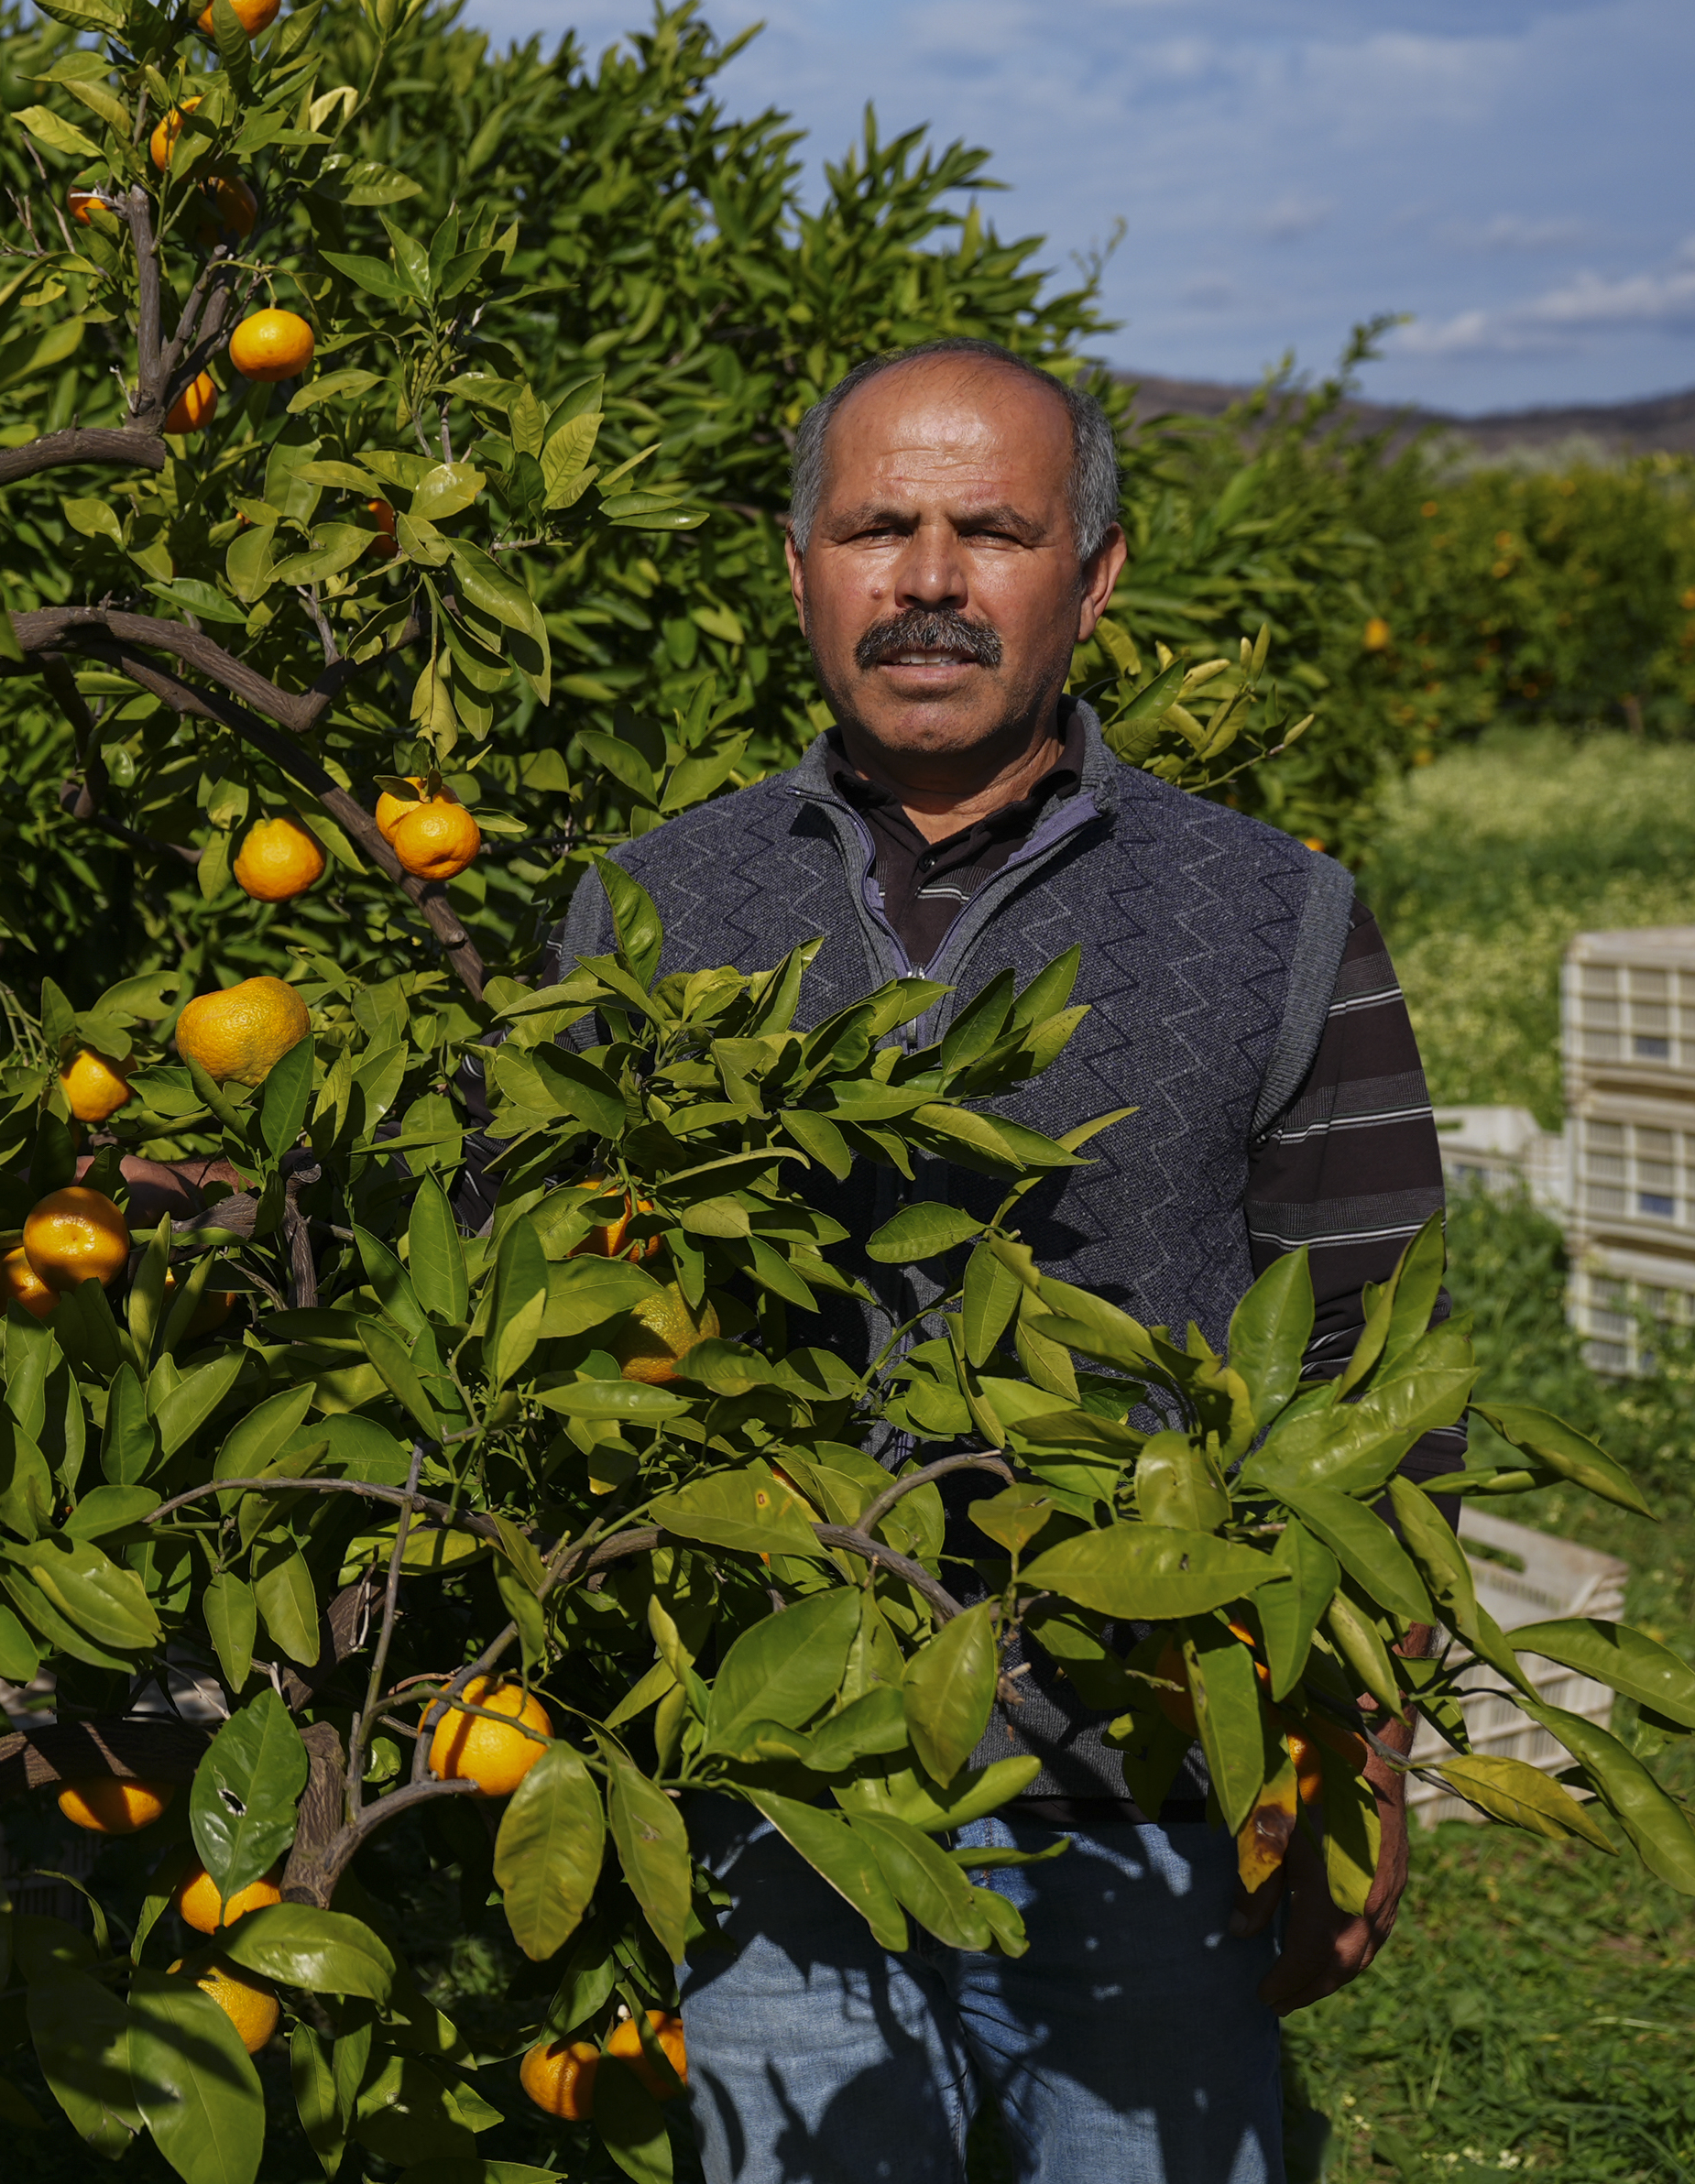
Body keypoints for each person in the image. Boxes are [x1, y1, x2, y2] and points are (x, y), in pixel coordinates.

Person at [554, 339, 1448, 2183]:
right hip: (764, 1779)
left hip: (1154, 1801)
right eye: (880, 526)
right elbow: (544, 1293)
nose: (932, 580)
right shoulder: (649, 903)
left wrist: (1362, 1756)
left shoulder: (1273, 913)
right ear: (799, 564)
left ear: (1094, 577)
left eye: (994, 530)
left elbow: (1377, 1373)